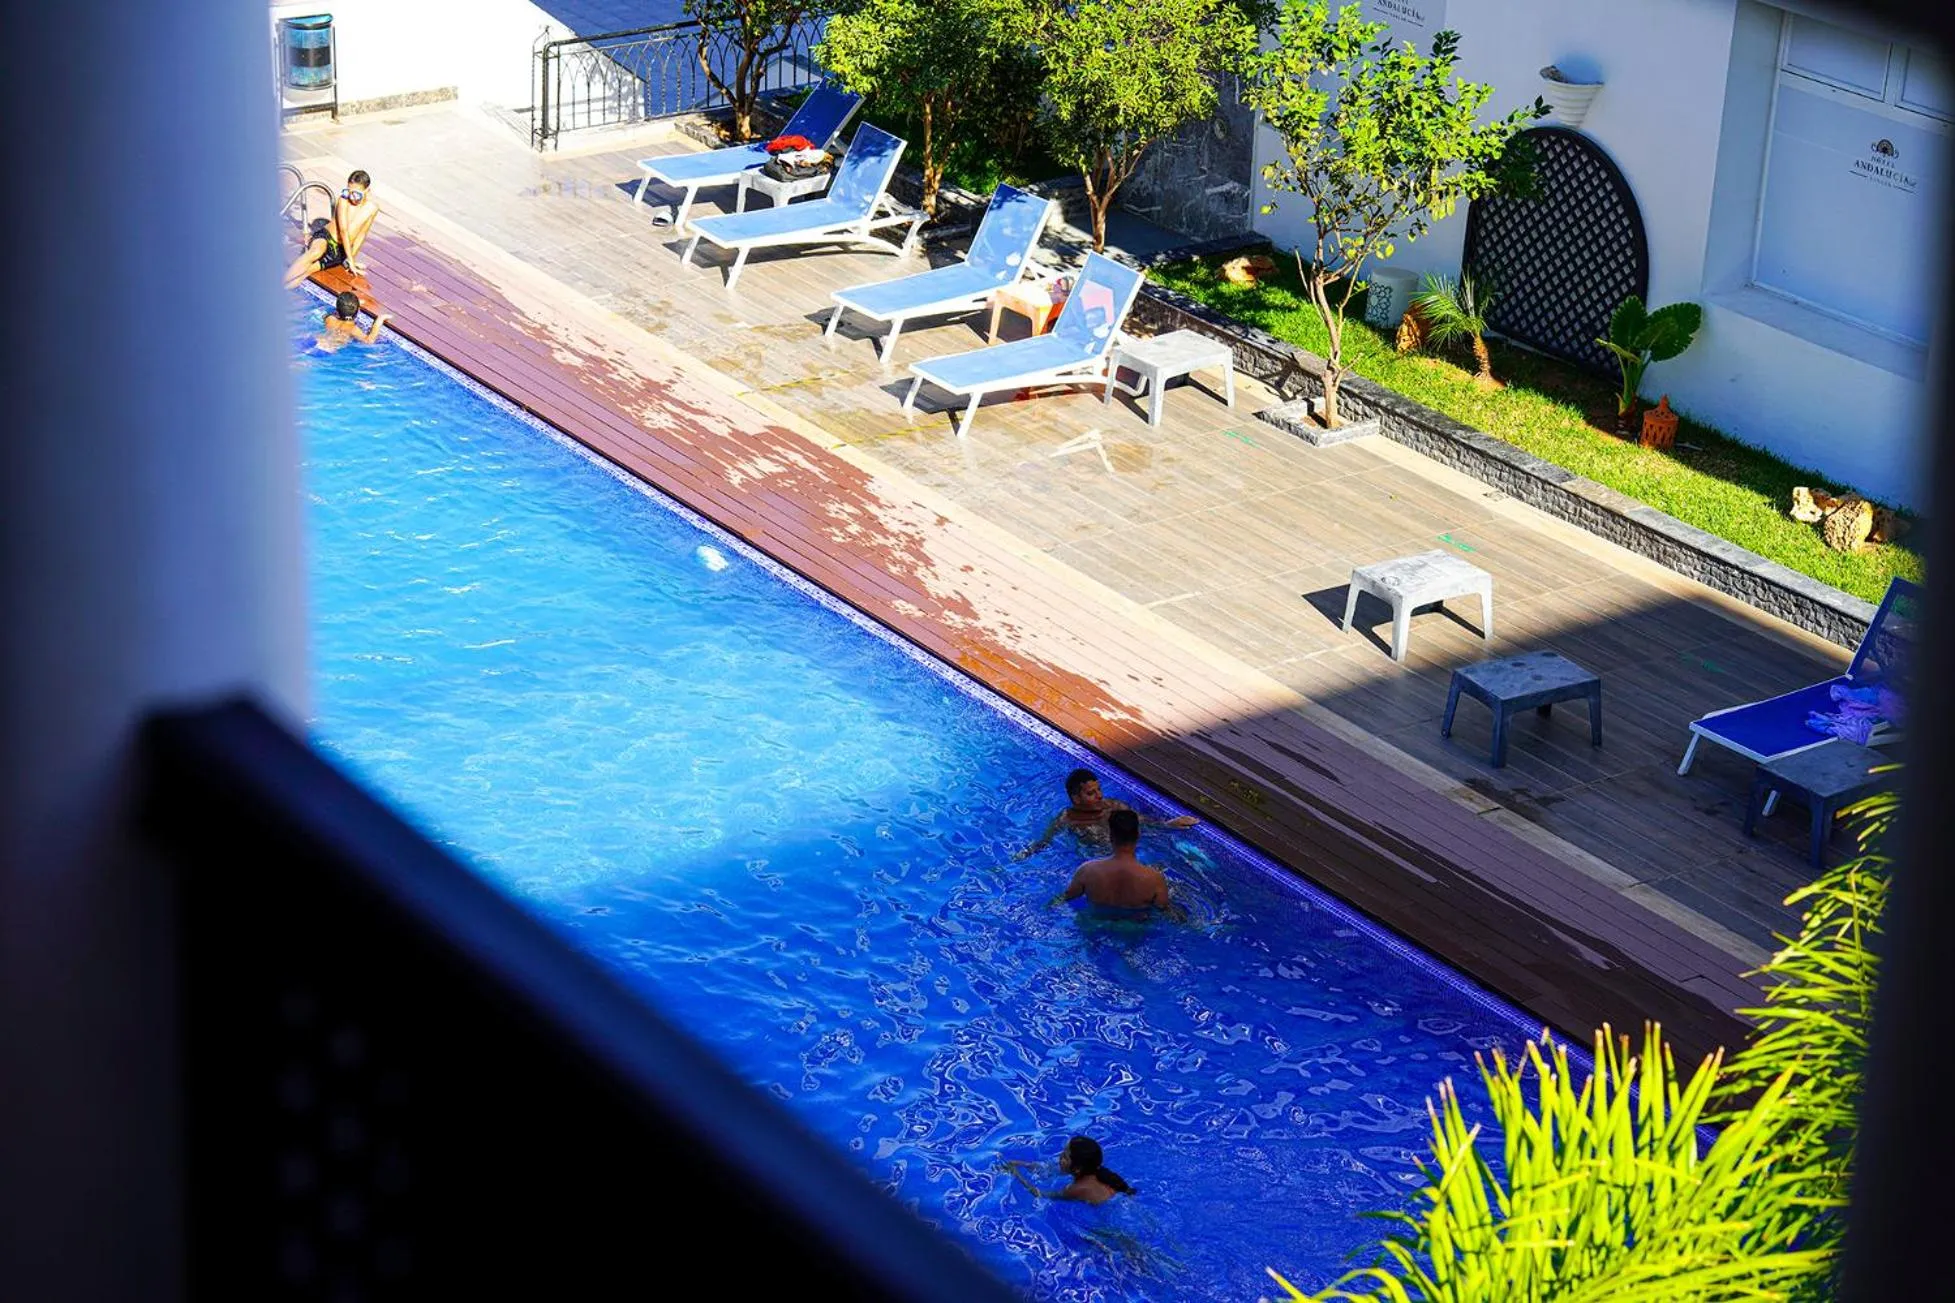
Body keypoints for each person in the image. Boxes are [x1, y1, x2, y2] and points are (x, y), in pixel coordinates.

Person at [1018, 767, 1197, 858]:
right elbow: (1045, 841)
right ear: (1076, 799)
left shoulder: (1114, 806)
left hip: (1128, 854)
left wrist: (1170, 824)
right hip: (1098, 860)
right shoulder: (1067, 818)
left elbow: (1143, 821)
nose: (1099, 796)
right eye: (1091, 793)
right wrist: (1025, 854)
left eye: (1098, 790)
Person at [1051, 810, 1183, 921]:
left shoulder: (1087, 870)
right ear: (1138, 836)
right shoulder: (1154, 878)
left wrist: (1047, 906)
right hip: (1134, 929)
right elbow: (1163, 909)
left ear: (1110, 837)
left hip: (1094, 924)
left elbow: (1066, 897)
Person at [284, 169, 380, 287]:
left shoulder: (372, 208)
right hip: (326, 237)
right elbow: (343, 231)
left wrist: (351, 261)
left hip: (339, 252)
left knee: (308, 270)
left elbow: (362, 234)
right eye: (348, 191)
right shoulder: (343, 201)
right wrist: (350, 259)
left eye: (356, 194)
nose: (351, 197)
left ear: (367, 191)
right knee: (315, 252)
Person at [1002, 1136, 1135, 1205]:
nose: (1059, 1157)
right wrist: (1023, 1164)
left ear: (1077, 1168)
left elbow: (1038, 1194)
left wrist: (1015, 1174)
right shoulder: (1096, 1171)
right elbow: (1049, 1169)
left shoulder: (1076, 1189)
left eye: (1065, 1156)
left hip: (1111, 1220)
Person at [314, 291, 390, 351]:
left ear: (337, 310)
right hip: (327, 350)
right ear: (358, 310)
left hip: (316, 341)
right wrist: (379, 322)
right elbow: (369, 341)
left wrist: (352, 306)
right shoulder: (353, 329)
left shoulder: (330, 319)